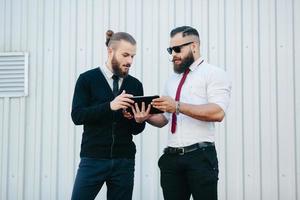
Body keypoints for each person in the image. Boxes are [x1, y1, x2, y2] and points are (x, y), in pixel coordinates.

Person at [131, 26, 232, 200]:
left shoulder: (214, 74)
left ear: (194, 46)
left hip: (200, 158)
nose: (173, 55)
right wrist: (145, 116)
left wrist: (177, 106)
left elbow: (217, 112)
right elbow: (164, 119)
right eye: (171, 50)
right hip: (171, 158)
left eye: (178, 49)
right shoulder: (171, 81)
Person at [70, 30, 146, 200]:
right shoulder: (87, 79)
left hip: (124, 162)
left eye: (133, 56)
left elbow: (136, 129)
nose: (130, 61)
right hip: (92, 159)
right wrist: (110, 106)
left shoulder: (135, 84)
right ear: (110, 51)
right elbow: (77, 116)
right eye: (125, 55)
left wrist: (139, 120)